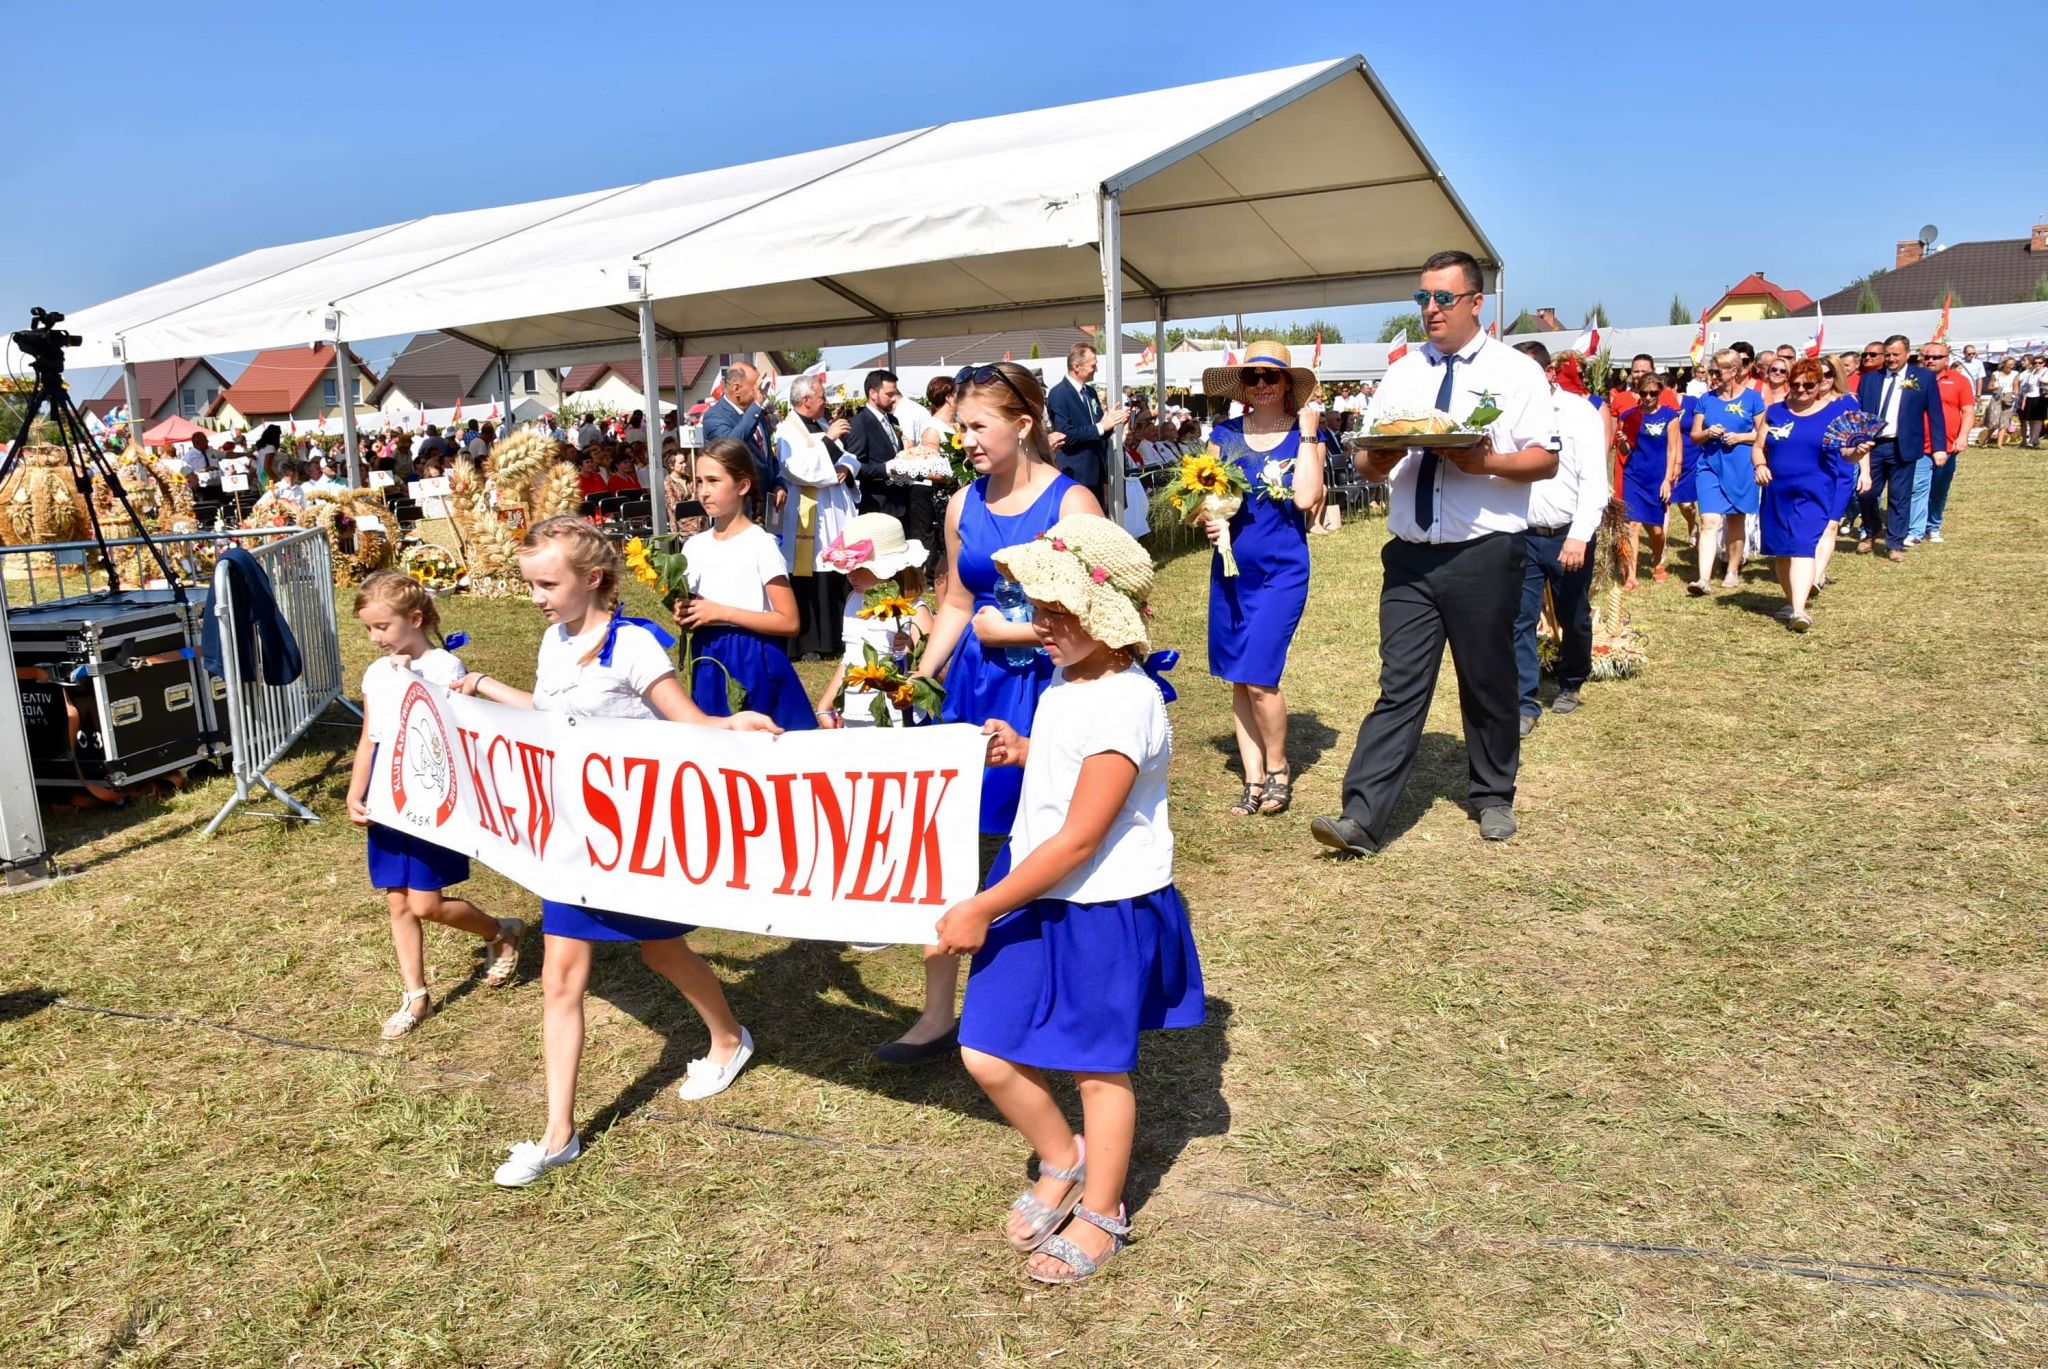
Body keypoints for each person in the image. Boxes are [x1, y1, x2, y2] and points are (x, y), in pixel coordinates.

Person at [453, 515, 776, 1187]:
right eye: (531, 584)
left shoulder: (633, 648)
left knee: (662, 950)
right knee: (561, 980)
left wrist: (731, 724)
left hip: (634, 835)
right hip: (571, 838)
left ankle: (727, 1036)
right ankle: (558, 1132)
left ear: (593, 578)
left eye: (548, 583)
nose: (537, 596)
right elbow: (548, 718)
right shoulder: (551, 640)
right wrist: (483, 686)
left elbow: (688, 723)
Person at [934, 513, 1203, 1286]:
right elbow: (1069, 771)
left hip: (1098, 906)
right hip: (1039, 886)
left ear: (1108, 616)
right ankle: (1062, 1156)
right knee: (984, 1047)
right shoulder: (1071, 677)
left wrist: (984, 905)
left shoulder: (1125, 702)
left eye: (1058, 612)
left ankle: (1105, 1207)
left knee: (1096, 1070)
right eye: (1036, 609)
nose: (1038, 625)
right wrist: (1026, 750)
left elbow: (1083, 837)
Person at [1311, 249, 1559, 856]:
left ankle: (1493, 792)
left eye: (1443, 298)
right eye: (1423, 298)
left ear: (1477, 302)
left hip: (1484, 552)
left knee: (1487, 679)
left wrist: (1486, 461)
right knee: (1400, 684)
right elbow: (1367, 462)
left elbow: (1544, 459)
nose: (1431, 310)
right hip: (1412, 556)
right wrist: (1386, 454)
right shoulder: (1403, 373)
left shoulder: (1515, 373)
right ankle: (1363, 818)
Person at [893, 362, 1100, 1064]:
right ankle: (935, 1013)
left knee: (1042, 846)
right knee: (953, 848)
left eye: (978, 426)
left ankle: (1046, 1005)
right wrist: (919, 680)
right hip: (973, 696)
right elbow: (955, 600)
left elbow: (1101, 615)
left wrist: (1010, 631)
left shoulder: (1075, 506)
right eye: (960, 427)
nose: (966, 440)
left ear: (1024, 423)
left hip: (1050, 694)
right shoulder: (960, 505)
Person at [344, 572, 526, 1039]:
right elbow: (371, 737)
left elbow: (445, 732)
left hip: (426, 790)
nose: (375, 638)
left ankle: (498, 930)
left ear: (416, 619)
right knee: (397, 901)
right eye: (369, 629)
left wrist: (408, 675)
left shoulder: (446, 667)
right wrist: (355, 790)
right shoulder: (374, 673)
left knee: (425, 903)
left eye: (382, 627)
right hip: (387, 791)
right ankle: (415, 995)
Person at [1196, 341, 1324, 817]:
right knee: (1238, 676)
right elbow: (1200, 498)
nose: (1262, 385)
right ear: (1242, 386)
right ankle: (1252, 779)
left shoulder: (1304, 435)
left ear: (1287, 384)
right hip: (1231, 570)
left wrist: (1309, 434)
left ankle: (1278, 769)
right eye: (1252, 377)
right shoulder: (1224, 434)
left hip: (1282, 571)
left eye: (1271, 377)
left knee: (1260, 676)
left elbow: (1308, 498)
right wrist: (1207, 519)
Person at [676, 439, 815, 732]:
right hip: (708, 657)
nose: (703, 491)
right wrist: (687, 612)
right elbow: (699, 605)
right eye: (698, 481)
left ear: (742, 486)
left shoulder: (760, 544)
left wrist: (722, 613)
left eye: (714, 481)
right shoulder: (694, 546)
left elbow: (789, 621)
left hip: (752, 658)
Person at [1514, 341, 1608, 735]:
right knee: (1518, 617)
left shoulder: (1577, 413)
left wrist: (1579, 536)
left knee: (1573, 614)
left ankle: (1571, 681)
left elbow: (1594, 482)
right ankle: (1524, 700)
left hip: (1567, 534)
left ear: (1550, 373)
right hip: (1520, 535)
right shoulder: (1508, 412)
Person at [1758, 359, 1869, 631]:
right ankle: (1790, 601)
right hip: (1777, 490)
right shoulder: (1775, 412)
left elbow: (1846, 453)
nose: (1801, 390)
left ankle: (1799, 610)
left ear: (1820, 384)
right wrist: (1760, 464)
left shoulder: (1834, 413)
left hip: (1815, 491)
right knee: (1782, 551)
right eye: (1795, 384)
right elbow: (1759, 446)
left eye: (1808, 385)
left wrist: (1859, 454)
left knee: (1802, 545)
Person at [813, 512, 933, 728]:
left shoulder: (915, 611)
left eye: (859, 568)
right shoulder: (853, 600)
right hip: (855, 713)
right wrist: (827, 702)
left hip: (899, 720)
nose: (851, 575)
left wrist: (912, 651)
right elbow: (852, 657)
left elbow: (935, 673)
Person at [774, 374, 860, 660]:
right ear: (806, 400)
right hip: (808, 511)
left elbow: (850, 456)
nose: (826, 402)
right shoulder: (787, 432)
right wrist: (830, 440)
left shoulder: (822, 424)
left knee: (836, 573)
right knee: (810, 574)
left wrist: (847, 469)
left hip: (835, 507)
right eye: (822, 397)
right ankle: (811, 643)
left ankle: (837, 637)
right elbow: (797, 469)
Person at [1856, 334, 1946, 561]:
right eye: (1887, 354)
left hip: (1903, 445)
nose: (1891, 359)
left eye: (1896, 354)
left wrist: (1939, 447)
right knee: (1866, 493)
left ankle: (1894, 543)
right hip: (1874, 445)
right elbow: (1862, 415)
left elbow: (1935, 414)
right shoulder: (1870, 379)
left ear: (1907, 354)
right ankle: (1872, 528)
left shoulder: (1923, 378)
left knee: (1900, 496)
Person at [1688, 349, 1764, 594]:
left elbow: (1763, 434)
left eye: (1717, 371)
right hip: (1710, 465)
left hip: (1741, 466)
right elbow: (1694, 435)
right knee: (1709, 520)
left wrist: (1740, 437)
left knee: (1735, 519)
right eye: (1711, 371)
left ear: (1734, 371)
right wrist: (1707, 433)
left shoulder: (1753, 399)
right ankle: (1703, 579)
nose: (1713, 376)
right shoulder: (1706, 400)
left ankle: (1732, 569)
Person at [1618, 371, 1683, 587]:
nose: (1647, 397)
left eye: (1652, 393)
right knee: (1633, 525)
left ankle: (1657, 560)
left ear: (1660, 392)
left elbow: (1672, 450)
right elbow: (1626, 449)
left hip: (1657, 477)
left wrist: (1667, 479)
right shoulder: (1630, 416)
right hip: (1634, 476)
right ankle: (1631, 576)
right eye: (1643, 393)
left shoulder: (1669, 416)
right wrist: (1623, 440)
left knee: (1656, 529)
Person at [1045, 342, 1130, 503]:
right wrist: (1101, 426)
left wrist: (1113, 422)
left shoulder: (1090, 392)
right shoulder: (1059, 394)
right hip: (1076, 472)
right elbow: (1065, 435)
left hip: (1097, 470)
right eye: (1093, 365)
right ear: (1076, 366)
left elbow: (1099, 429)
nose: (1096, 370)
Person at [1918, 341, 1972, 545]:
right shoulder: (1914, 379)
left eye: (1936, 357)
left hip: (1948, 445)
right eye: (1927, 356)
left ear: (1946, 359)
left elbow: (1968, 411)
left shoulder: (1959, 381)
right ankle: (1914, 526)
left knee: (1939, 489)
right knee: (1915, 489)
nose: (1930, 360)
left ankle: (1933, 525)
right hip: (1918, 444)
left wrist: (1963, 436)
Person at [843, 368, 907, 519]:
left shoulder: (893, 420)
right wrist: (886, 469)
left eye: (895, 394)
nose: (893, 399)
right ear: (872, 393)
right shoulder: (860, 423)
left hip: (900, 503)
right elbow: (855, 466)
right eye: (889, 394)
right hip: (876, 506)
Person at [1985, 358, 2019, 449]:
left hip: (2008, 397)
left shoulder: (2015, 374)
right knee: (1994, 422)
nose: (2011, 366)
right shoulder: (1996, 374)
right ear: (2004, 364)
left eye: (2013, 365)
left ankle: (1999, 444)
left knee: (2004, 422)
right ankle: (1986, 439)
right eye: (2009, 364)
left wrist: (2014, 396)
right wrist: (1995, 388)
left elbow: (2016, 387)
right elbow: (1989, 386)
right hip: (1997, 397)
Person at [2020, 356, 2046, 449]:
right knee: (2031, 420)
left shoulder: (2046, 372)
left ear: (2044, 363)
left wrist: (2042, 380)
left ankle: (2031, 441)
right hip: (2030, 397)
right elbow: (2028, 388)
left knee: (2038, 420)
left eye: (2039, 363)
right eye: (2035, 363)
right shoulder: (2031, 373)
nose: (2037, 364)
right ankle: (2035, 441)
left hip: (2041, 397)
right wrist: (2024, 400)